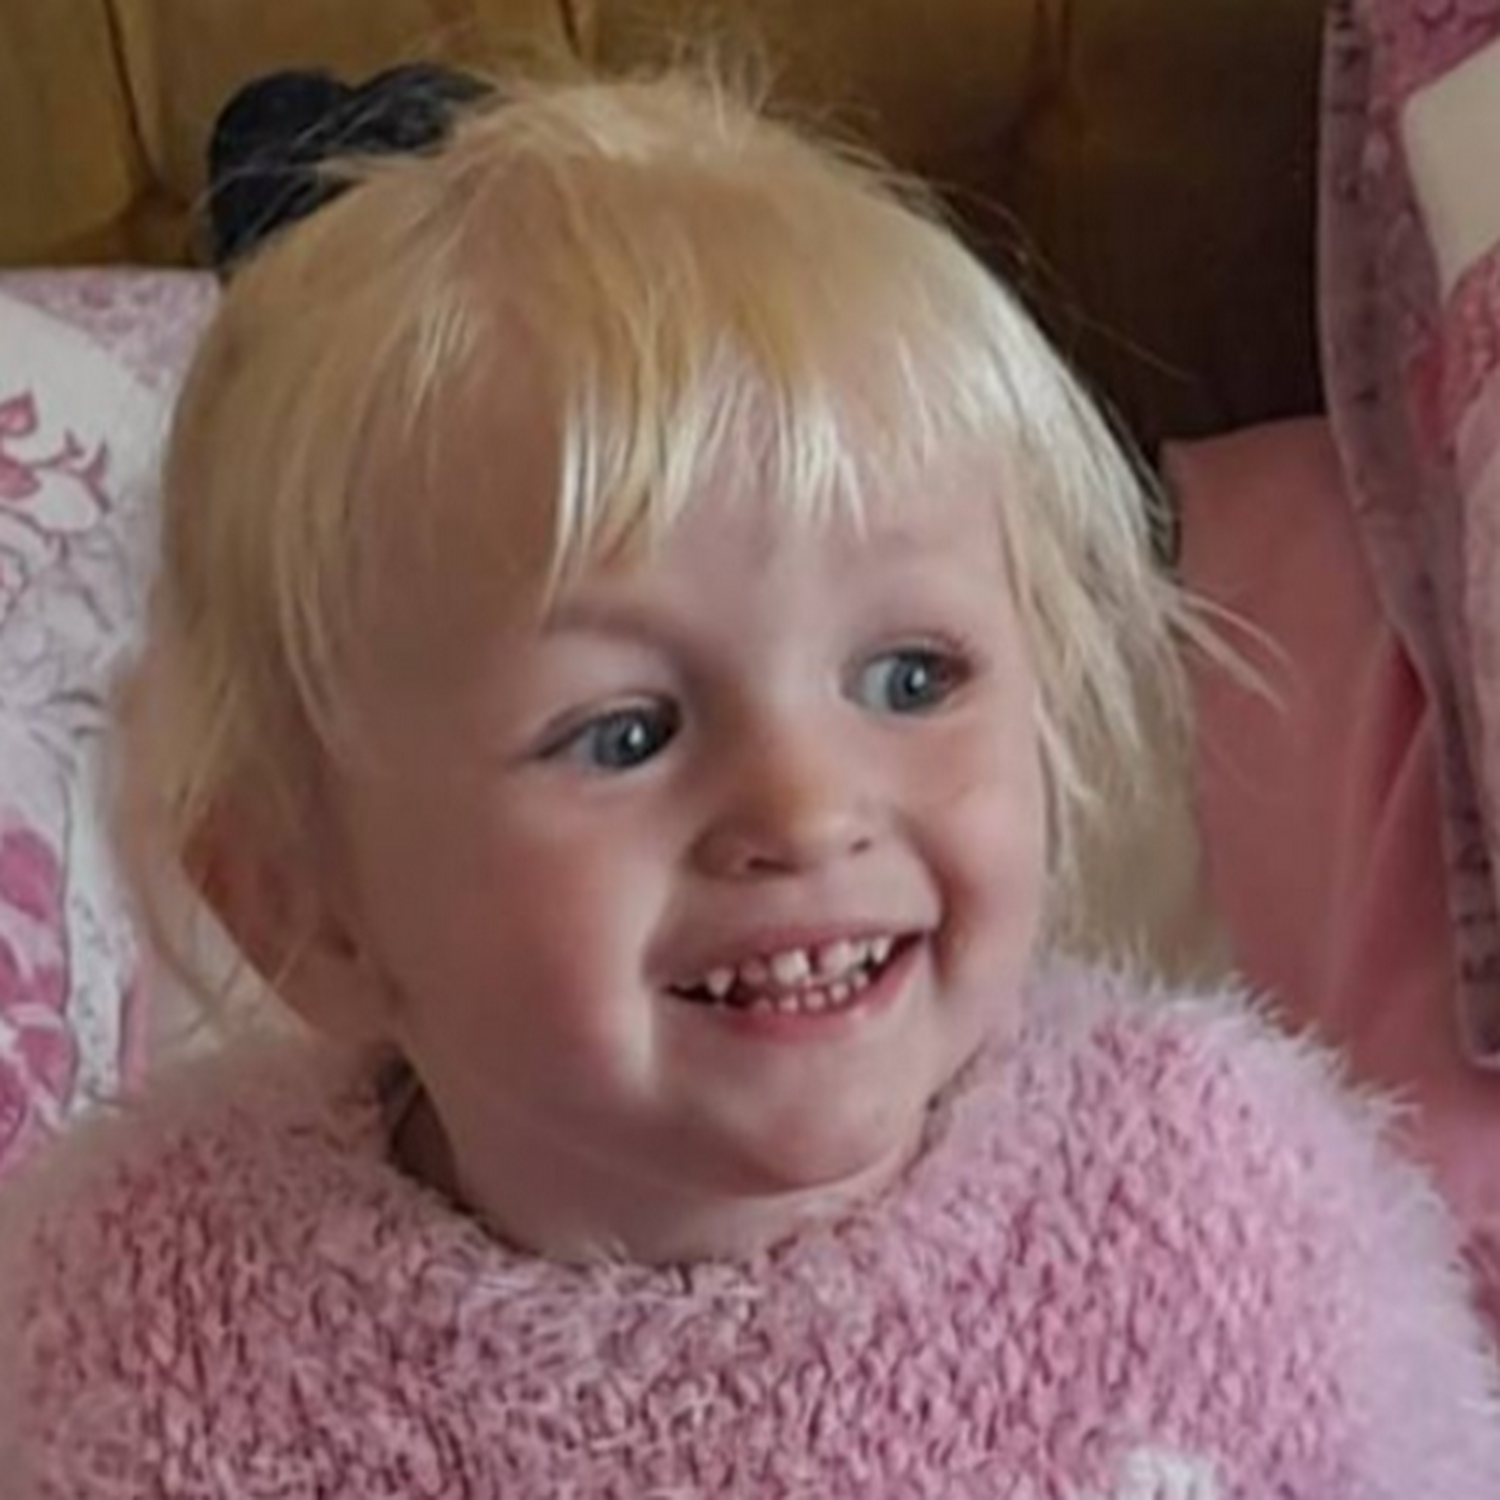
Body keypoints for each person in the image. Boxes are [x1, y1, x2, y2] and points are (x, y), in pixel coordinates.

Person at [1, 66, 1496, 1499]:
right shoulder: (149, 1329)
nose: (806, 809)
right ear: (302, 909)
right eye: (623, 733)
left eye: (909, 677)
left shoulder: (1217, 1207)